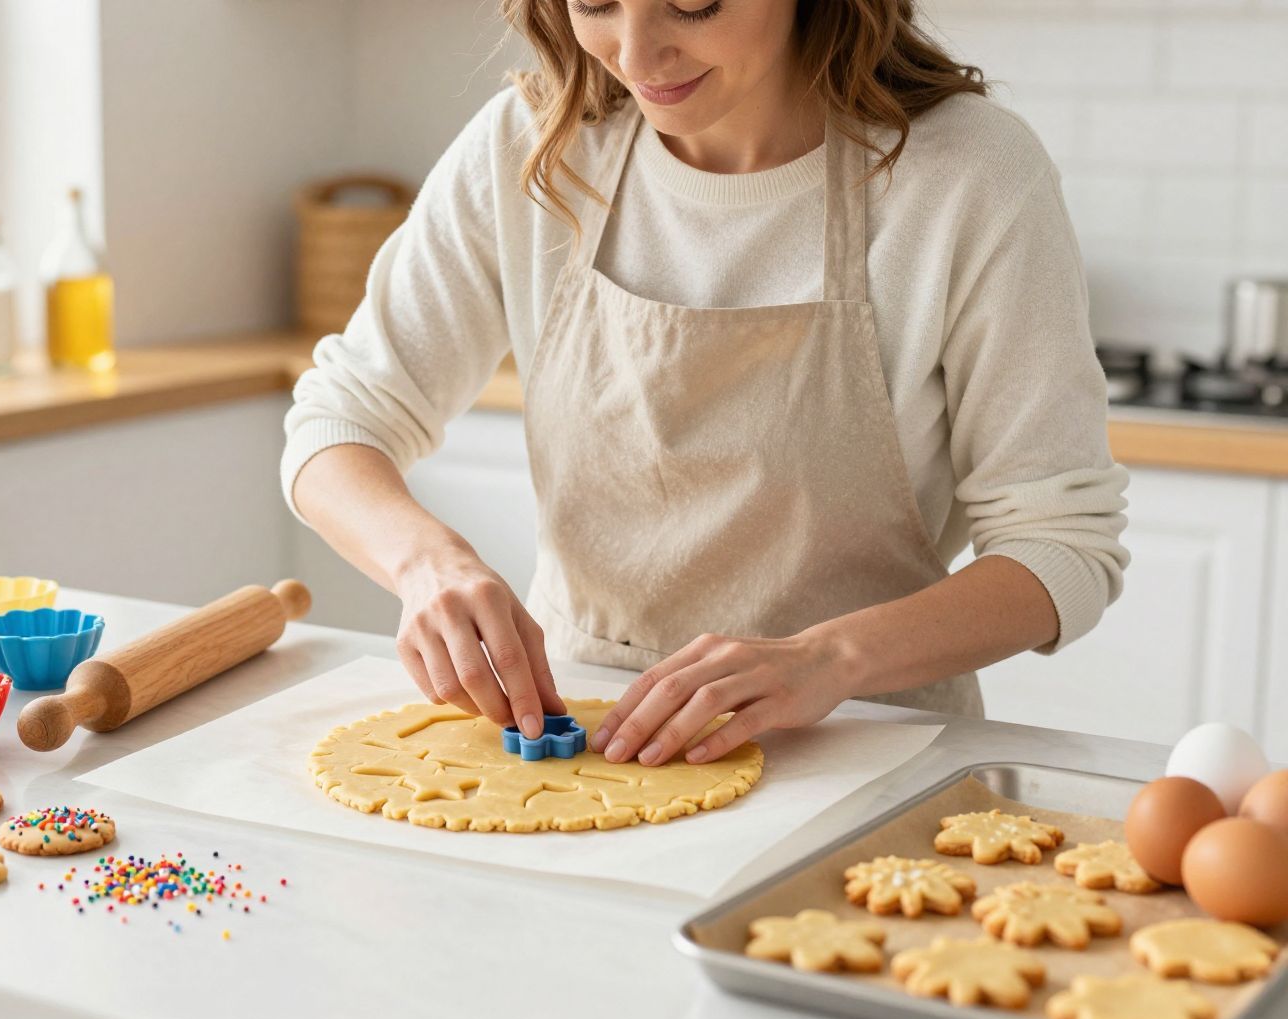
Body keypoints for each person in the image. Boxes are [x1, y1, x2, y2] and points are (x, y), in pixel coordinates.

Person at [281, 0, 1129, 768]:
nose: (638, 52)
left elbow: (1061, 548)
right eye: (597, 3)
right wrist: (427, 564)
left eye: (693, 3)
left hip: (862, 753)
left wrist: (828, 660)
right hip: (576, 738)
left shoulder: (968, 173)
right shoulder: (534, 145)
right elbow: (339, 419)